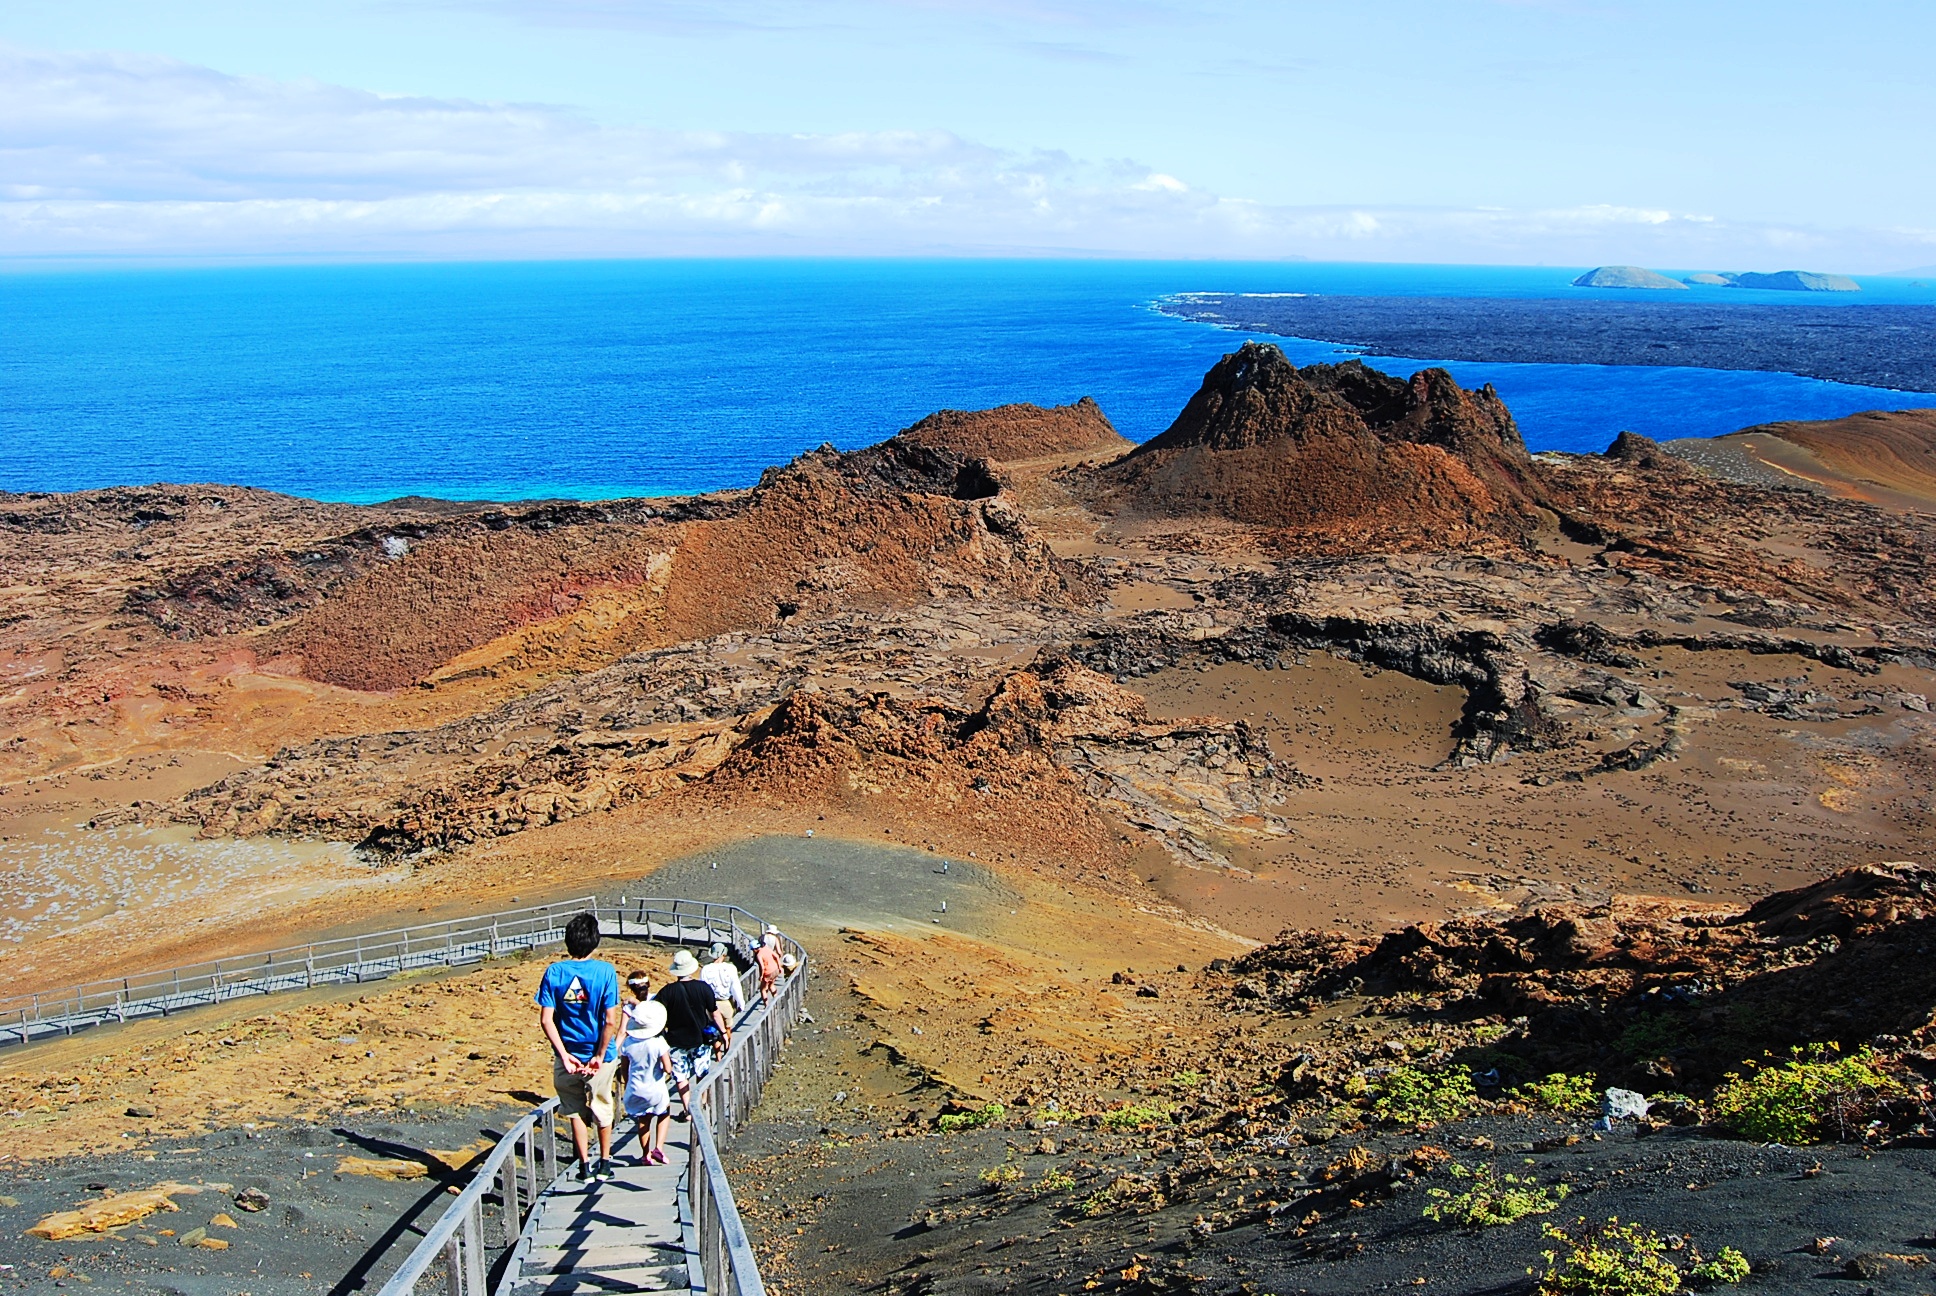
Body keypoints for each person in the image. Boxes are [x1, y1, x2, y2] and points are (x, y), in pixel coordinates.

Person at [535, 913, 621, 1183]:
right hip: (600, 1056)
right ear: (595, 942)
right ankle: (605, 1162)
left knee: (574, 1108)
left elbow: (546, 1019)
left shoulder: (554, 972)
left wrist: (564, 1056)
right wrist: (598, 1054)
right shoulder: (605, 972)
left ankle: (584, 1165)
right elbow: (610, 1020)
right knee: (603, 1106)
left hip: (567, 1054)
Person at [654, 948, 728, 1107]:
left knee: (681, 1077)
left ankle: (688, 1108)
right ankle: (701, 1102)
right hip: (700, 1039)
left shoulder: (667, 992)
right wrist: (723, 1033)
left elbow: (656, 1014)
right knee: (702, 1073)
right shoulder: (704, 988)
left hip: (675, 1042)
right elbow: (714, 1013)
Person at [619, 999, 674, 1166]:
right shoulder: (658, 1043)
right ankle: (658, 1147)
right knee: (664, 1112)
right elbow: (668, 1068)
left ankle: (645, 1154)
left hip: (635, 1087)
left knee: (643, 1119)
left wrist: (627, 1082)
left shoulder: (628, 1043)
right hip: (655, 1086)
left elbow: (624, 1068)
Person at [699, 942, 747, 1025]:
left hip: (711, 1004)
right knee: (727, 1028)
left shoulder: (706, 969)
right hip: (725, 1002)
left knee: (713, 1026)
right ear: (724, 954)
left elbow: (702, 989)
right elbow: (735, 987)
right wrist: (740, 1003)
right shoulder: (730, 968)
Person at [755, 935, 784, 1005]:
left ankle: (766, 1005)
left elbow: (762, 966)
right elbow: (777, 956)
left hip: (768, 972)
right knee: (771, 985)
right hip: (775, 970)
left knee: (763, 989)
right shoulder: (767, 948)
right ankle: (776, 1000)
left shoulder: (759, 955)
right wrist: (779, 967)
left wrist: (761, 976)